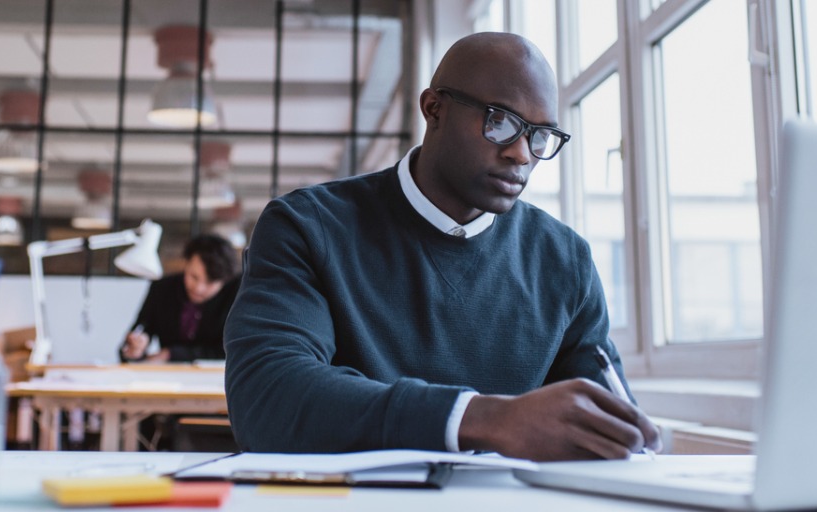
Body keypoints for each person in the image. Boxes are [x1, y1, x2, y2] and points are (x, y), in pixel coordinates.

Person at [224, 32, 661, 461]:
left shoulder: (565, 261)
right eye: (500, 121)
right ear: (434, 109)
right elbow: (266, 397)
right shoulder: (308, 226)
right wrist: (485, 419)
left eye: (540, 135)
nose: (522, 154)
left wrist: (631, 439)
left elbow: (609, 424)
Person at [121, 233, 240, 363]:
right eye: (194, 277)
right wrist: (136, 348)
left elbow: (234, 350)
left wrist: (171, 354)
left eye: (210, 283)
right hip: (168, 378)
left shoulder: (236, 294)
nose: (199, 288)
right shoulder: (162, 289)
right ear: (186, 264)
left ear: (225, 281)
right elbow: (134, 338)